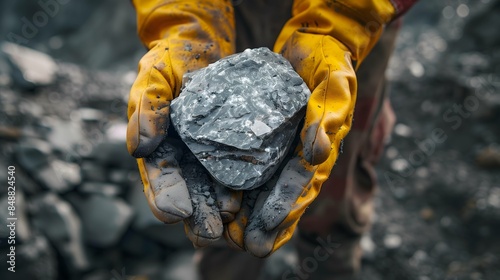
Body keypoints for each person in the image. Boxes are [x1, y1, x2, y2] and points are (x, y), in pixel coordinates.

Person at [126, 0, 418, 279]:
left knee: (337, 171)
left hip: (353, 23)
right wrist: (180, 15)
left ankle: (332, 261)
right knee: (223, 214)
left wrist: (342, 19)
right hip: (225, 13)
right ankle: (225, 265)